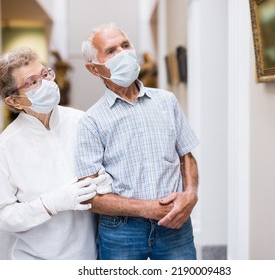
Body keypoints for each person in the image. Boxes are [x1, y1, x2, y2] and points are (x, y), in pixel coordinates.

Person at [76, 23, 200, 260]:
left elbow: (186, 155)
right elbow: (89, 196)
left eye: (125, 45)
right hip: (122, 232)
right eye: (111, 51)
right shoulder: (91, 121)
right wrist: (148, 209)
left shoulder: (167, 101)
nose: (123, 53)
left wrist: (190, 193)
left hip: (175, 224)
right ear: (94, 69)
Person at [0, 47, 111, 260]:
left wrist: (108, 183)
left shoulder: (82, 122)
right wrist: (49, 204)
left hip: (90, 256)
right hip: (37, 260)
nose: (46, 83)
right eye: (32, 82)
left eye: (45, 74)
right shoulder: (8, 145)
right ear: (14, 101)